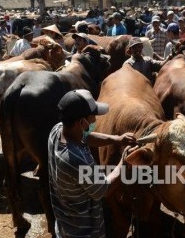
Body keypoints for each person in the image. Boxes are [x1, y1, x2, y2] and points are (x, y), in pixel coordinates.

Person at [48, 89, 137, 238]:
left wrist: (116, 139)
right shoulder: (77, 161)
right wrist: (124, 162)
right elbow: (103, 189)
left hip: (64, 220)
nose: (95, 119)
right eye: (93, 115)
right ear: (82, 122)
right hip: (84, 231)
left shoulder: (57, 130)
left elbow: (86, 137)